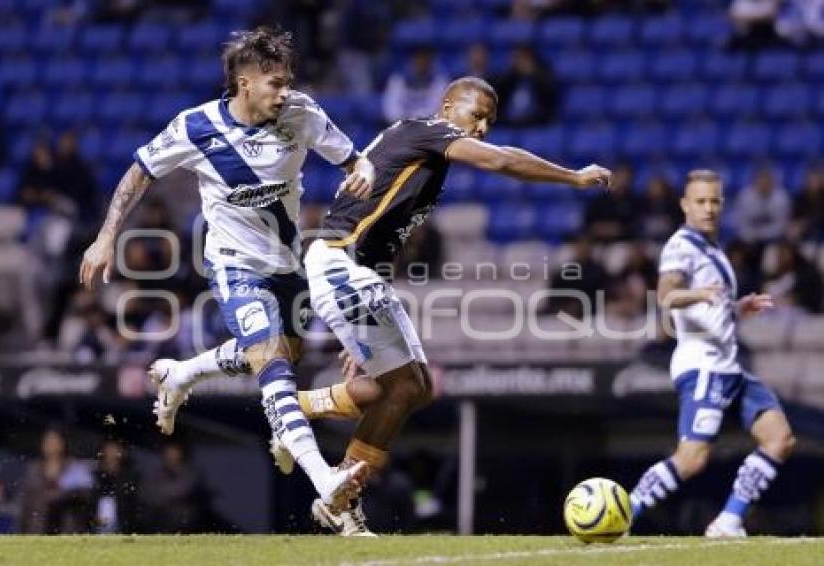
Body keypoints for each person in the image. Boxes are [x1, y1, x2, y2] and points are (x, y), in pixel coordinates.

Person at [295, 77, 610, 535]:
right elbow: (501, 160)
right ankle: (333, 484)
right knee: (402, 386)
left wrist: (357, 333)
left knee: (416, 388)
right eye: (475, 115)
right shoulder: (428, 131)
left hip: (355, 270)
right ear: (448, 106)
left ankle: (301, 414)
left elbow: (377, 235)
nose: (481, 127)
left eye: (488, 121)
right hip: (339, 262)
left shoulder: (422, 155)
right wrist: (573, 176)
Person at [78, 26, 373, 511]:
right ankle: (324, 480)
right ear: (244, 82)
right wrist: (107, 235)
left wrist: (360, 169)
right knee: (274, 367)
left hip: (287, 262)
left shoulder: (301, 112)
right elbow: (139, 173)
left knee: (285, 352)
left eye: (286, 81)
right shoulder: (194, 127)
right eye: (274, 82)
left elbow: (353, 160)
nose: (284, 91)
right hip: (234, 267)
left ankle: (181, 374)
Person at [628, 170, 796, 537]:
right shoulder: (681, 246)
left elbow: (711, 303)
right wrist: (698, 295)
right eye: (701, 201)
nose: (709, 208)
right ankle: (625, 512)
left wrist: (737, 306)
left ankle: (728, 521)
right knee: (692, 460)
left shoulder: (713, 249)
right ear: (685, 205)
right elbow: (666, 295)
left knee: (779, 438)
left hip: (728, 366)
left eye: (715, 201)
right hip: (703, 366)